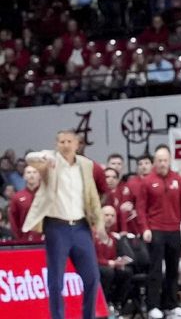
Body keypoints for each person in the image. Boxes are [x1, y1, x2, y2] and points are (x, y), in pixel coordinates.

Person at [23, 129, 104, 319]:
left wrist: (99, 223)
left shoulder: (86, 165)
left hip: (81, 227)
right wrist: (43, 156)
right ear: (56, 144)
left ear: (77, 144)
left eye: (69, 141)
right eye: (61, 142)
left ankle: (88, 316)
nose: (65, 145)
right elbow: (29, 159)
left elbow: (92, 196)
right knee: (56, 282)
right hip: (56, 227)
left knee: (92, 277)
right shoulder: (49, 161)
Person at [137, 144, 181, 318]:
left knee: (173, 269)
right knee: (155, 269)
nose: (162, 163)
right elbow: (141, 208)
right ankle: (153, 305)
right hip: (156, 230)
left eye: (165, 160)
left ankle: (171, 304)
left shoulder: (178, 180)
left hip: (174, 230)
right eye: (159, 160)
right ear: (154, 162)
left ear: (170, 161)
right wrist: (145, 228)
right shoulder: (147, 182)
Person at [94, 206, 133, 314]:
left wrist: (118, 262)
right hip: (95, 266)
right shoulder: (92, 234)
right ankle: (103, 304)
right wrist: (108, 263)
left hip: (108, 267)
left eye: (112, 215)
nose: (109, 218)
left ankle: (117, 304)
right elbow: (91, 257)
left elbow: (112, 257)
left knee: (126, 272)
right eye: (106, 215)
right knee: (108, 272)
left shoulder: (112, 237)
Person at [8, 164, 43, 242]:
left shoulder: (46, 196)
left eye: (35, 172)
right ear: (24, 176)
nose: (31, 175)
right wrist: (19, 239)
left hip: (46, 240)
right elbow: (13, 220)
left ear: (40, 175)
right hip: (24, 240)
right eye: (29, 172)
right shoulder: (17, 197)